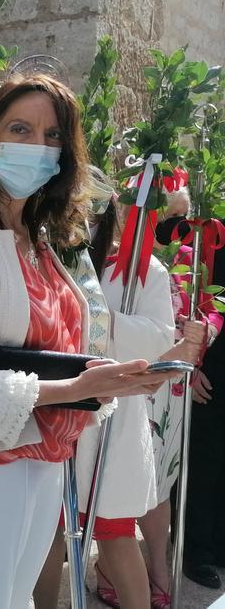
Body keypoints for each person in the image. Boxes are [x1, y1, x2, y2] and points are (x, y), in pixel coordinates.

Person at [0, 73, 172, 608]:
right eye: (20, 129)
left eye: (53, 136)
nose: (38, 146)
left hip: (45, 457)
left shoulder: (45, 243)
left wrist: (109, 381)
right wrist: (76, 386)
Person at [34, 170, 207, 609]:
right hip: (53, 407)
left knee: (113, 531)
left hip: (109, 415)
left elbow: (155, 337)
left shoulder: (141, 270)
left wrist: (95, 318)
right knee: (49, 530)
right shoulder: (44, 258)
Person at [156, 204, 225, 590]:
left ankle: (218, 543)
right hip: (208, 368)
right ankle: (195, 549)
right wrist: (192, 362)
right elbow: (195, 303)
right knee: (203, 460)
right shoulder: (206, 230)